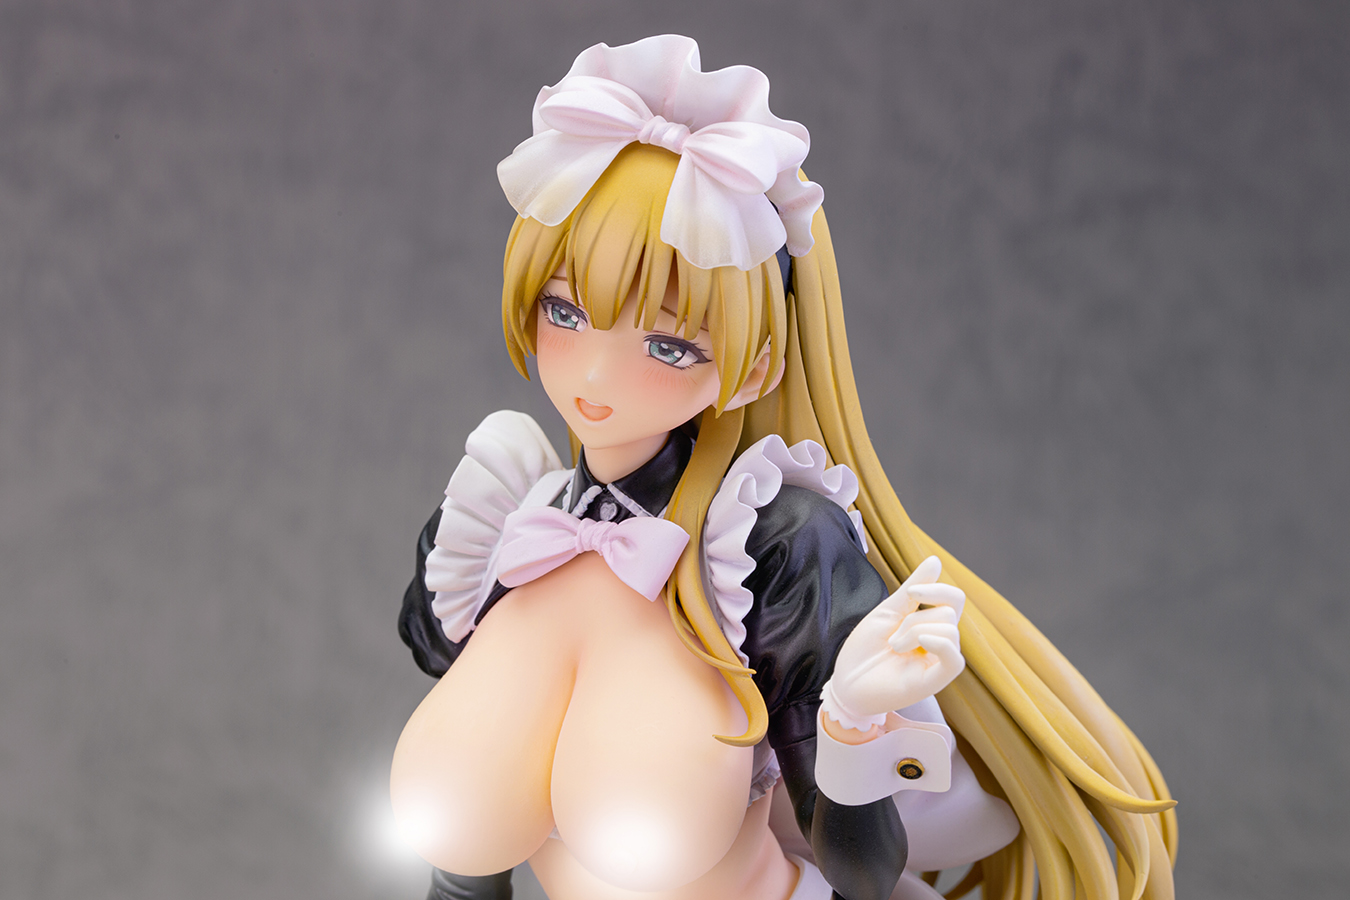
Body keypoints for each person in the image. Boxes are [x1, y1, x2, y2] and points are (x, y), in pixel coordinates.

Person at [393, 35, 1177, 900]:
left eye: (667, 345)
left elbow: (862, 873)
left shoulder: (769, 543)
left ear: (753, 367)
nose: (595, 375)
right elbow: (462, 853)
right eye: (565, 312)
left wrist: (852, 727)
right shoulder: (508, 522)